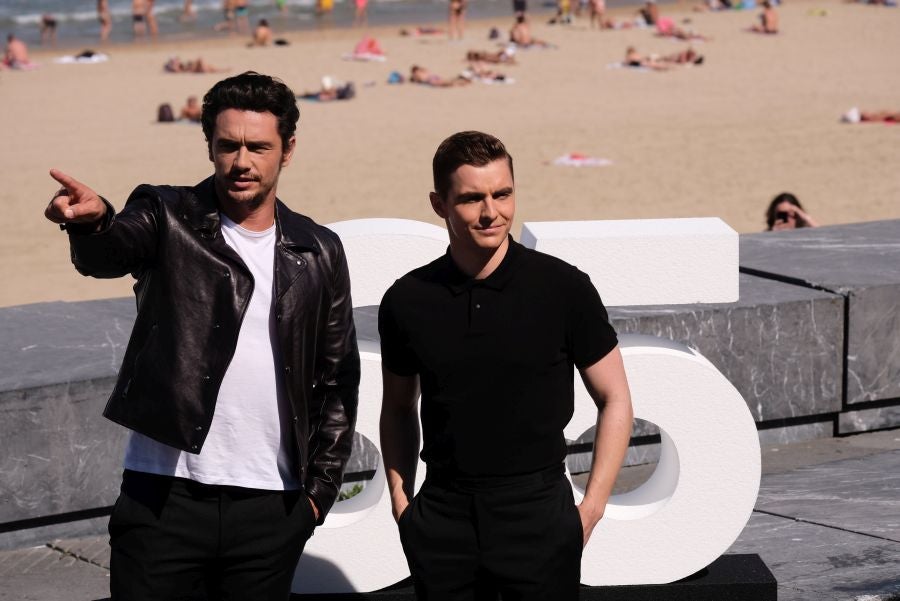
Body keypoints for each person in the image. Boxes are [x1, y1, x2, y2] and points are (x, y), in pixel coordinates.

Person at [43, 71, 360, 601]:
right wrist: (92, 224)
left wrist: (316, 497)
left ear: (287, 150)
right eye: (228, 145)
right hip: (163, 497)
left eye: (258, 147)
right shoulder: (166, 215)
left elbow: (338, 379)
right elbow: (111, 252)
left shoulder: (318, 249)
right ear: (209, 145)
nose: (242, 161)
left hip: (271, 505)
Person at [379, 131, 633, 599]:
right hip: (443, 518)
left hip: (539, 513)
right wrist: (402, 504)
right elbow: (397, 407)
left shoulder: (563, 288)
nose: (490, 212)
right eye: (471, 198)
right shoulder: (406, 299)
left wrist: (592, 509)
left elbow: (615, 397)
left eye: (502, 194)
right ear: (439, 204)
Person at [164, 56, 228, 73]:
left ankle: (222, 70)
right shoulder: (173, 67)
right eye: (175, 60)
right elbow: (177, 70)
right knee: (200, 60)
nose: (177, 60)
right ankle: (222, 70)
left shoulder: (179, 64)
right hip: (194, 69)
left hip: (194, 68)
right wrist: (174, 64)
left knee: (209, 67)